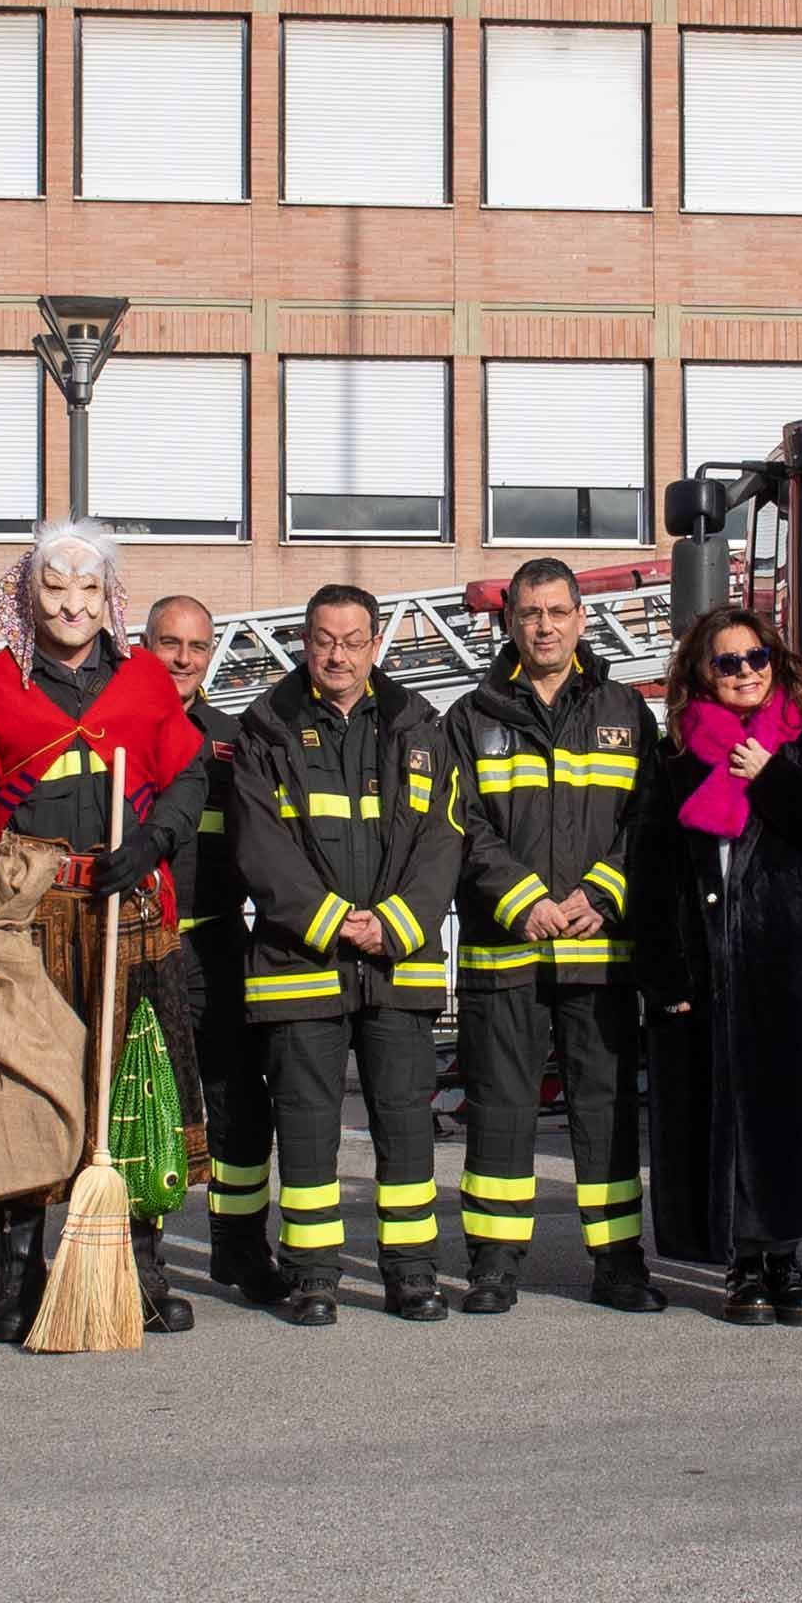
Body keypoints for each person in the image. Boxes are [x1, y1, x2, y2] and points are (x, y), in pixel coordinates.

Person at [0, 523, 212, 1340]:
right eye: (55, 588)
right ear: (29, 594)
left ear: (108, 598)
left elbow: (189, 775)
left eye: (88, 589)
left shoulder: (145, 681)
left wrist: (153, 842)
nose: (71, 605)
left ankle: (140, 1273)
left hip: (130, 915)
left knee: (138, 1088)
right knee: (27, 1092)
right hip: (29, 921)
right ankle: (18, 1279)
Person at [228, 586, 463, 1321]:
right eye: (325, 640)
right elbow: (260, 847)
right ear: (305, 641)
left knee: (405, 1123)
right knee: (306, 1128)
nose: (339, 655)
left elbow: (444, 839)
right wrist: (335, 922)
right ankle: (312, 1277)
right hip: (301, 966)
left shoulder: (420, 727)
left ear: (375, 645)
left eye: (354, 640)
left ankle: (412, 1274)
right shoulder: (266, 729)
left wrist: (394, 923)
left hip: (397, 962)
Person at [632, 605, 802, 1325]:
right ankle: (743, 1263)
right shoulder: (675, 754)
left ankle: (786, 1260)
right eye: (728, 662)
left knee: (790, 1118)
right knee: (718, 1119)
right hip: (705, 970)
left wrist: (771, 778)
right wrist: (665, 974)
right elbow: (650, 871)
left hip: (789, 966)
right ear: (701, 673)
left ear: (776, 664)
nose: (745, 673)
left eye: (756, 658)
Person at [445, 558, 662, 1314]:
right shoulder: (470, 717)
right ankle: (495, 1264)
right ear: (510, 621)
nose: (544, 626)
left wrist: (604, 892)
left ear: (581, 618)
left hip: (598, 953)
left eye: (557, 612)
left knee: (606, 1111)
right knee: (499, 1107)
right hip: (506, 947)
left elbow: (647, 820)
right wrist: (522, 898)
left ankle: (619, 1264)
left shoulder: (626, 710)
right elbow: (457, 825)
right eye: (530, 613)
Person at [144, 593, 283, 1315]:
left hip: (220, 941)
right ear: (144, 647)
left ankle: (240, 1246)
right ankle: (143, 1260)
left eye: (197, 646)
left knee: (240, 1101)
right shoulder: (115, 727)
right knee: (145, 1102)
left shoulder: (234, 738)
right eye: (169, 643)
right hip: (141, 942)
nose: (184, 658)